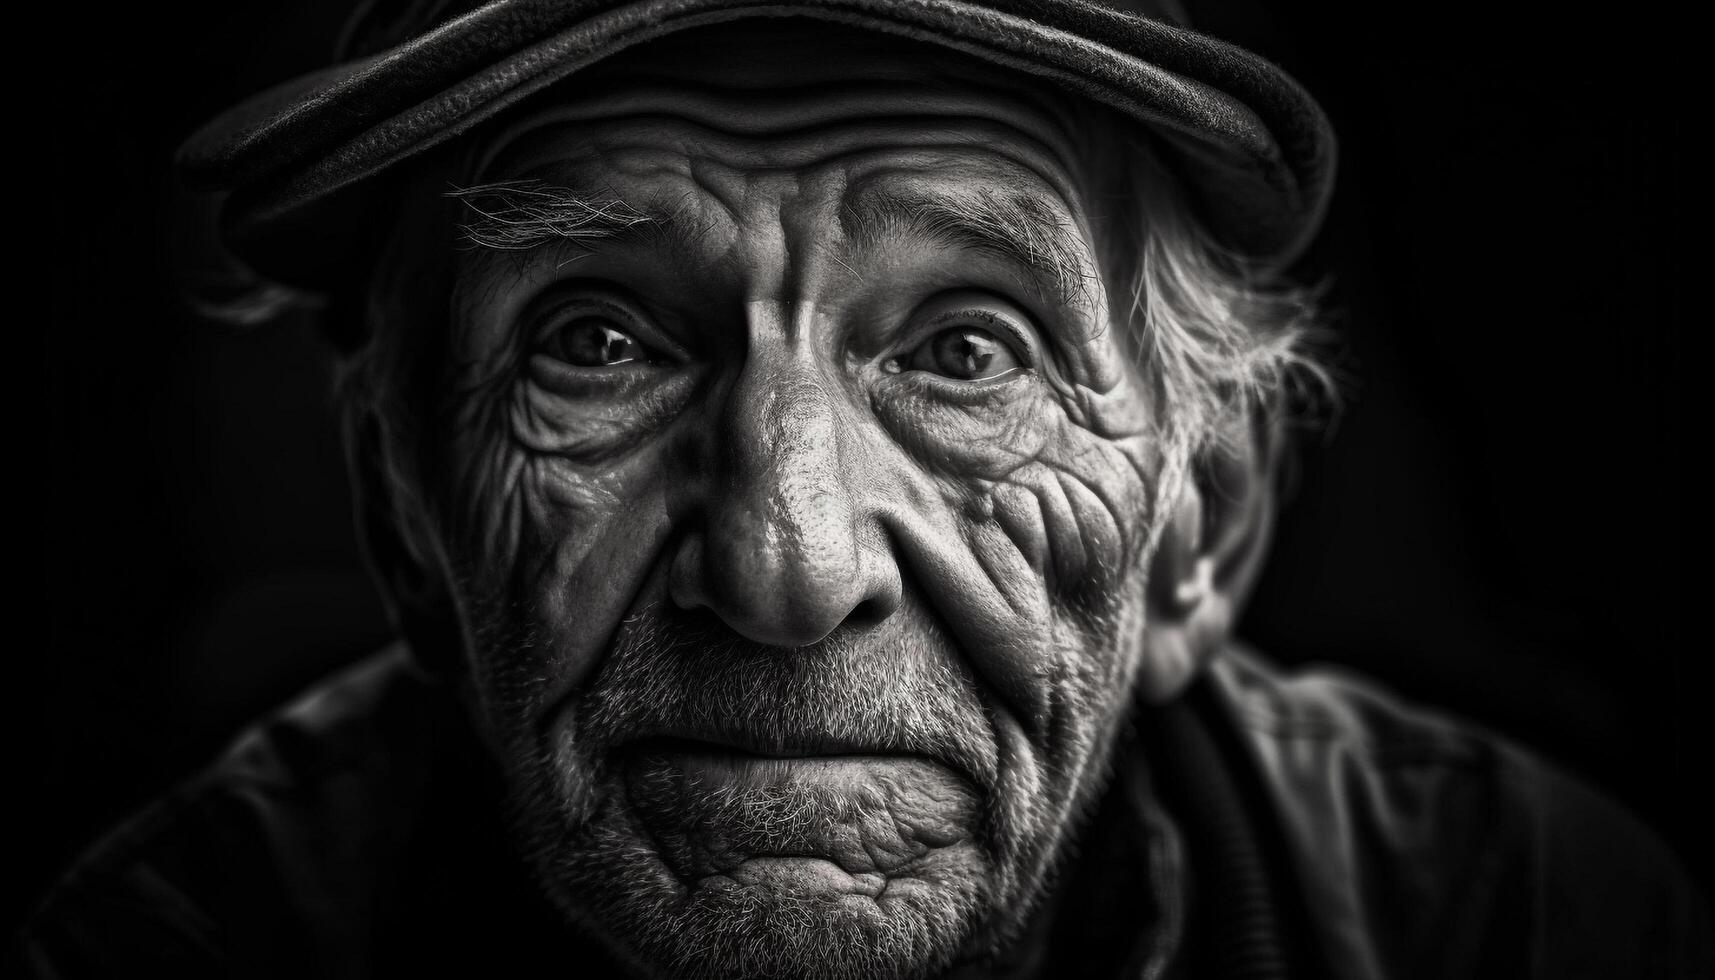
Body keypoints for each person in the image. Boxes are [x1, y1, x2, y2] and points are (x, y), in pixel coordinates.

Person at [20, 0, 1710, 977]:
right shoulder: (182, 959)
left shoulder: (1512, 924)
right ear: (407, 523)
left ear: (1202, 530)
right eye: (599, 340)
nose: (789, 565)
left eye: (969, 353)